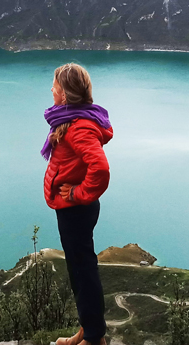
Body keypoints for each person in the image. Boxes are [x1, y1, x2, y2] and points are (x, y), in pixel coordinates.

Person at [41, 63, 113, 345]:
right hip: (74, 209)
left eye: (55, 86)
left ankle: (94, 338)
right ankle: (88, 330)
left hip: (76, 210)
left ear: (65, 93)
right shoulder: (71, 119)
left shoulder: (78, 126)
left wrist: (77, 194)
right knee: (79, 269)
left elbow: (101, 169)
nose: (51, 89)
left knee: (83, 272)